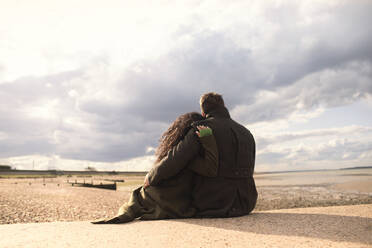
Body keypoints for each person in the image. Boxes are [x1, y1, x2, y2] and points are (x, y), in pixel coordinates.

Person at [92, 112, 218, 224]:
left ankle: (124, 214)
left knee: (138, 195)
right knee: (140, 196)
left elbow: (168, 165)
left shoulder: (178, 152)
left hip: (168, 201)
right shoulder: (196, 155)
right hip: (183, 204)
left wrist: (150, 177)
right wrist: (208, 141)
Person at [146, 92, 257, 217]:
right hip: (247, 202)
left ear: (203, 112)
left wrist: (151, 177)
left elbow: (176, 158)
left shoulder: (201, 128)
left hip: (215, 203)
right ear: (224, 106)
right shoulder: (246, 133)